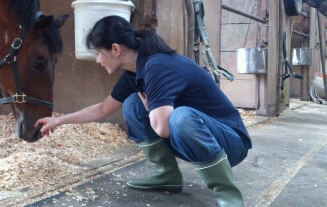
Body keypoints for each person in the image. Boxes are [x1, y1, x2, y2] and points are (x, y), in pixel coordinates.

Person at [35, 15, 252, 207]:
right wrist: (59, 121)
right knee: (131, 103)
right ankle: (167, 174)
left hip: (230, 143)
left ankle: (228, 195)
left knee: (181, 117)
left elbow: (164, 128)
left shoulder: (157, 66)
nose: (98, 61)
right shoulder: (133, 73)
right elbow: (101, 109)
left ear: (115, 49)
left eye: (98, 53)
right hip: (199, 139)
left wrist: (151, 111)